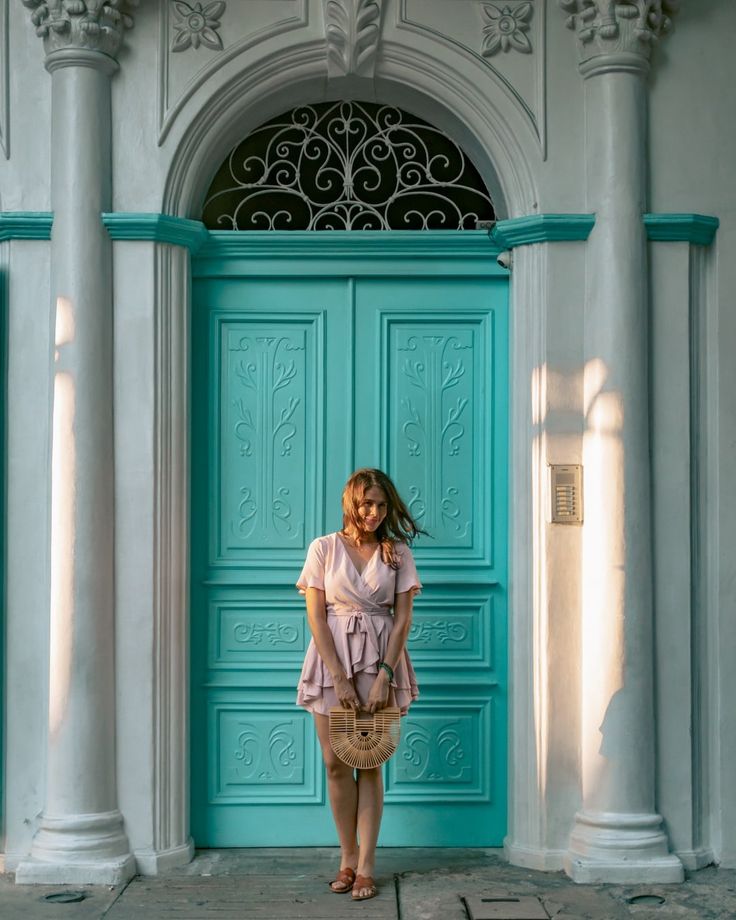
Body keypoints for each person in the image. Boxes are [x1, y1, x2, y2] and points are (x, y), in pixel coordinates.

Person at [296, 468, 423, 902]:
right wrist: (337, 676)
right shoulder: (324, 549)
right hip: (331, 661)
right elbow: (316, 615)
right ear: (351, 501)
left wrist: (386, 676)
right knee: (335, 763)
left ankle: (367, 864)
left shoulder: (397, 554)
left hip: (378, 662)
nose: (374, 513)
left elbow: (402, 619)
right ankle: (347, 858)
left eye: (382, 505)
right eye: (368, 503)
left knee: (369, 762)